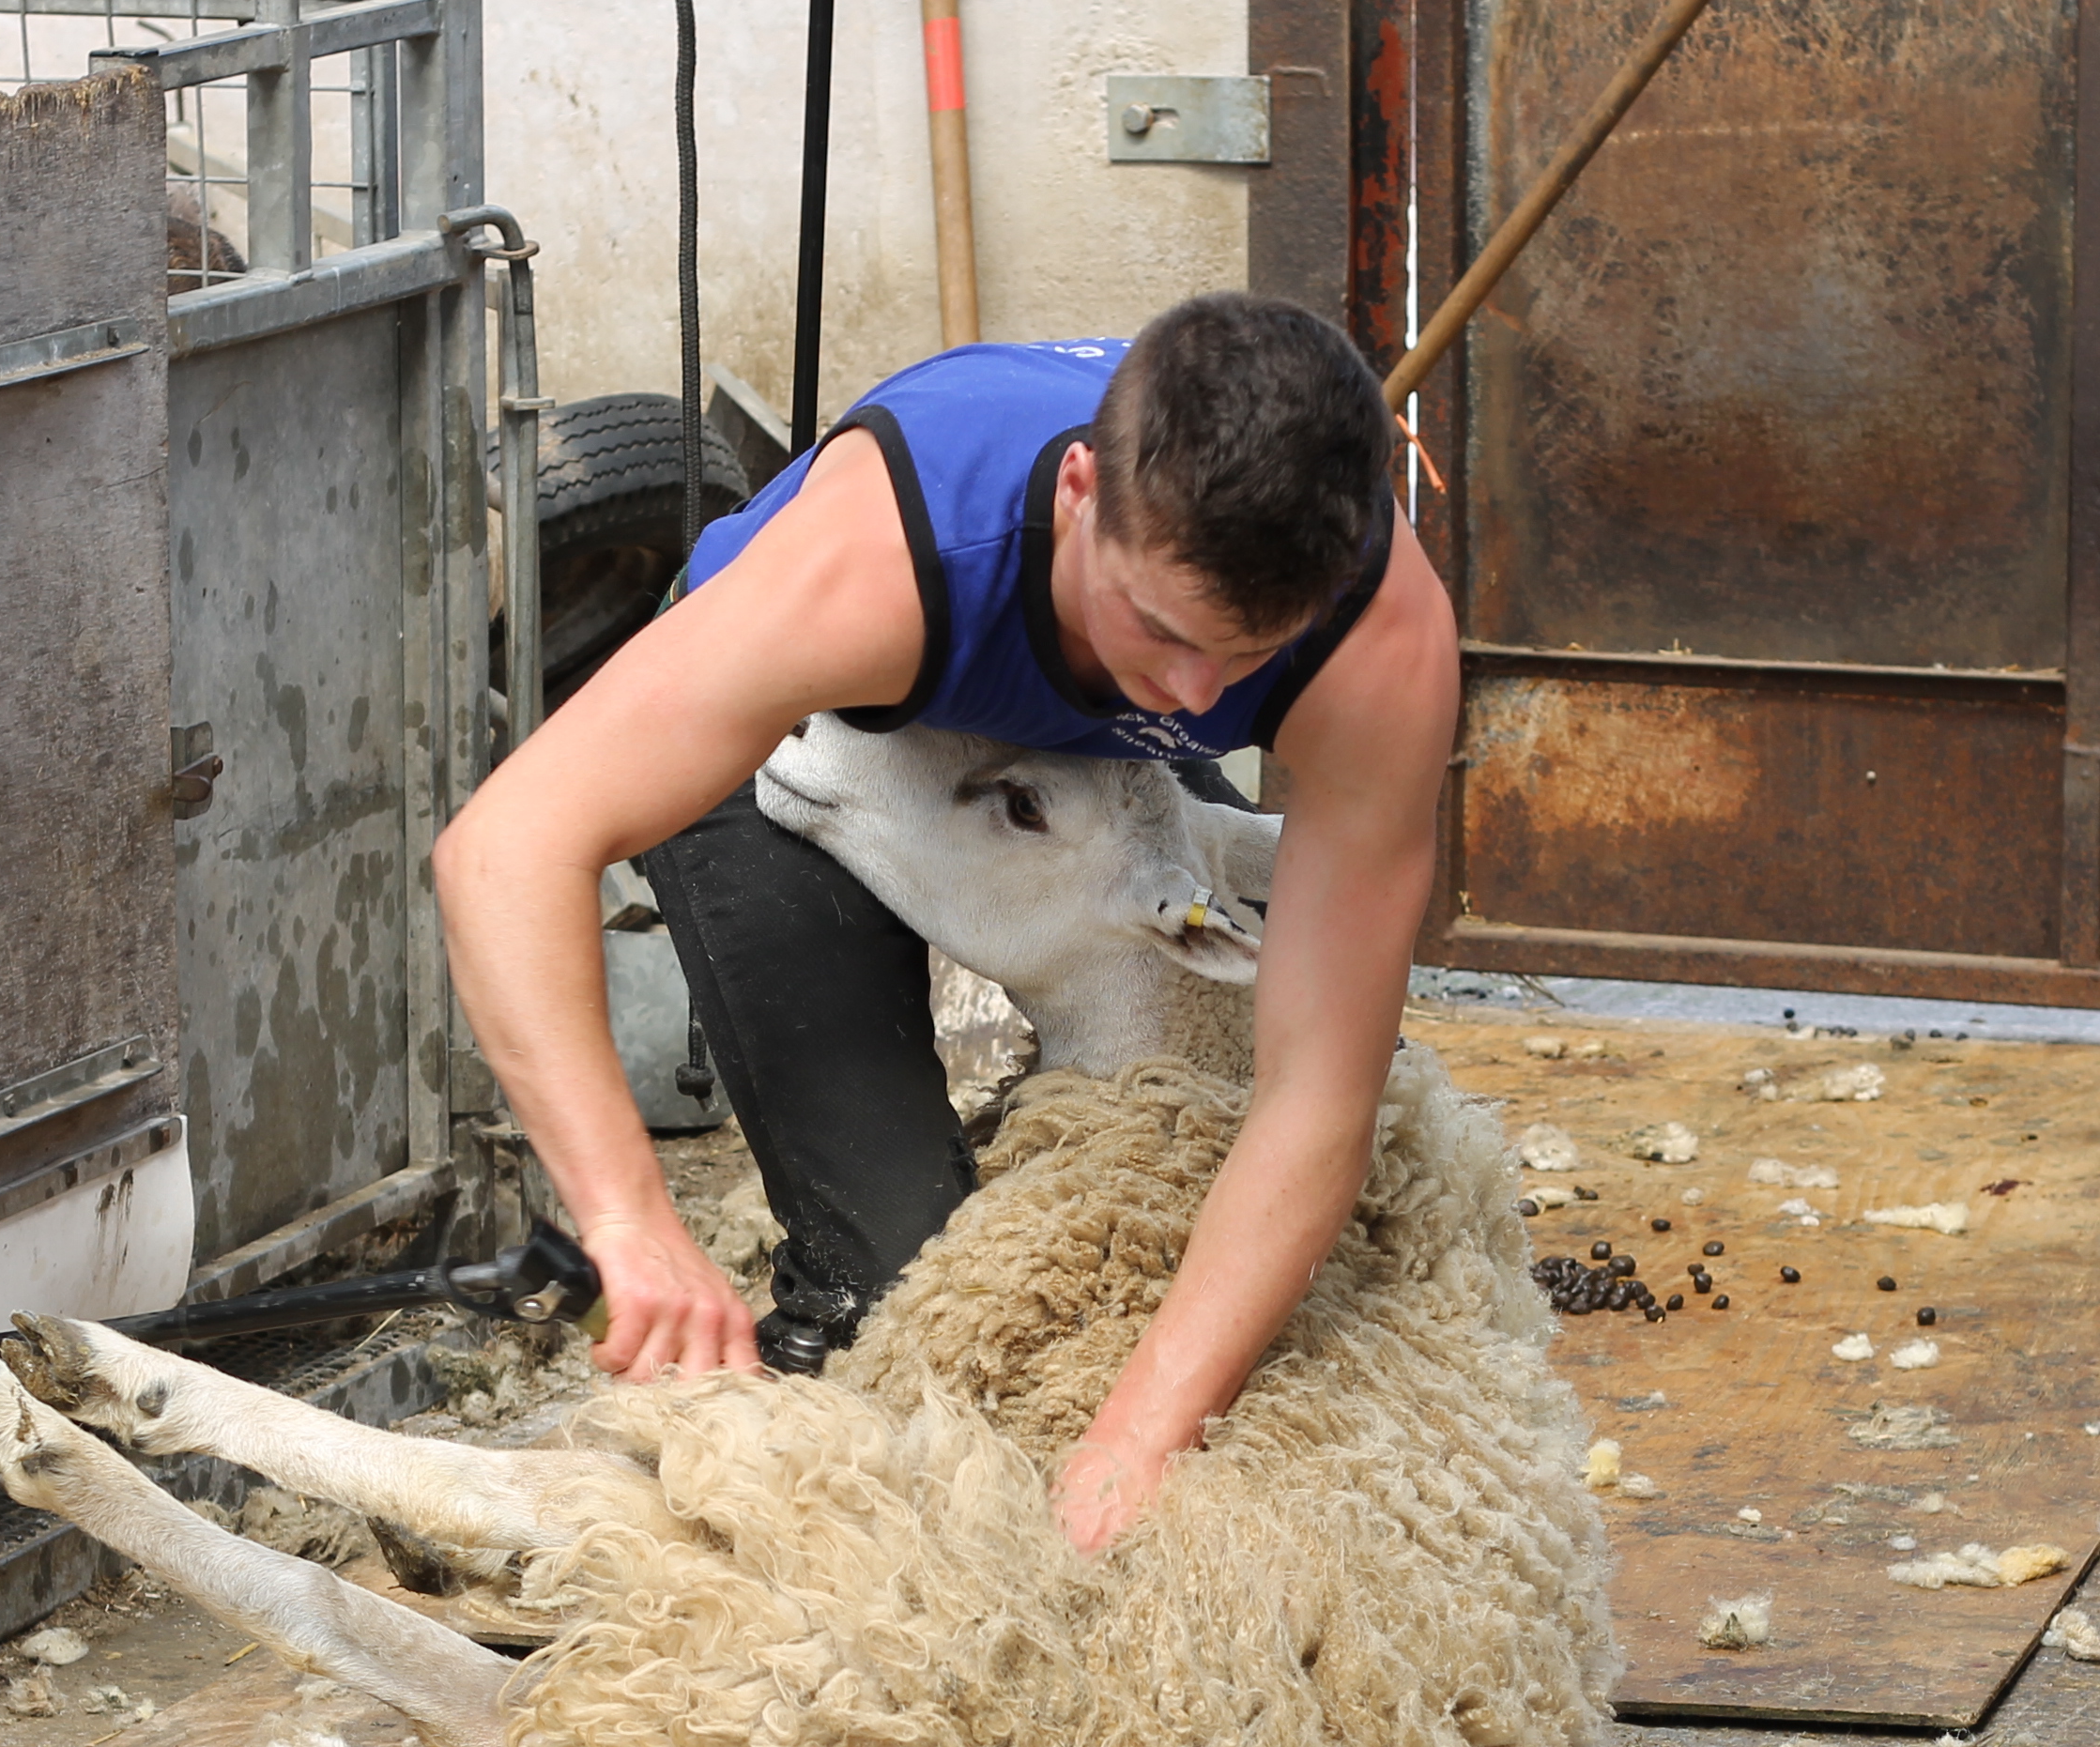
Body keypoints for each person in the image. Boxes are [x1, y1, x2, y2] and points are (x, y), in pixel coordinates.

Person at [429, 291, 1458, 1555]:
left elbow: (1317, 1099)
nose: (1200, 693)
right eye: (1165, 628)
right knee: (911, 1274)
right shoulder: (876, 563)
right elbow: (503, 847)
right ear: (1081, 489)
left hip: (1087, 766)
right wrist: (630, 1218)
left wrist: (1133, 1442)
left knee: (1164, 1265)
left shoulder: (1375, 645)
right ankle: (801, 1381)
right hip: (806, 761)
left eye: (1245, 658)